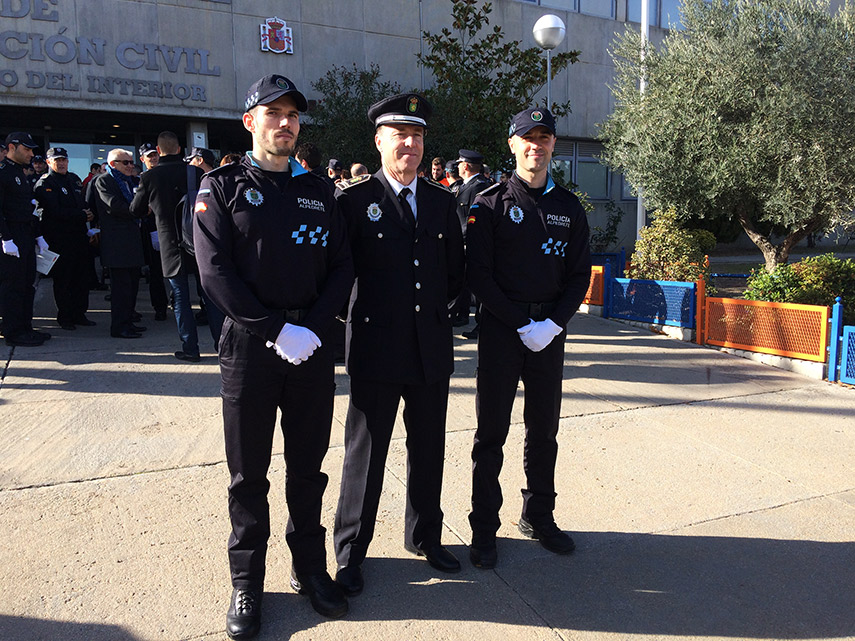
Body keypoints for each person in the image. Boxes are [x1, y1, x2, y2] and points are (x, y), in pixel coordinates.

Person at [193, 74, 354, 639]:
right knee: (248, 474)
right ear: (250, 122)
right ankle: (246, 582)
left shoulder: (318, 193)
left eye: (293, 115)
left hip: (309, 347)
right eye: (273, 113)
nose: (285, 123)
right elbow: (214, 273)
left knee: (307, 469)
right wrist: (273, 330)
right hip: (250, 347)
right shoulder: (222, 186)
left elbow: (342, 269)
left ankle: (309, 568)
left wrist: (310, 328)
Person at [333, 93, 465, 597]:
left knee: (428, 449)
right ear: (379, 141)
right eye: (399, 135)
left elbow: (454, 272)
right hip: (375, 348)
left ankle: (425, 537)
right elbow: (339, 273)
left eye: (417, 135)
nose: (409, 144)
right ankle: (350, 554)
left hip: (430, 346)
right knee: (364, 456)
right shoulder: (353, 202)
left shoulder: (439, 200)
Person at [465, 107, 592, 570]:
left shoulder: (569, 207)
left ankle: (539, 515)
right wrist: (521, 323)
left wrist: (553, 325)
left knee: (544, 431)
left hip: (549, 335)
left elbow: (579, 275)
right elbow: (479, 275)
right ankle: (484, 528)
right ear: (512, 144)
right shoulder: (490, 202)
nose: (536, 146)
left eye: (544, 138)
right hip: (503, 332)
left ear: (553, 145)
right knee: (491, 434)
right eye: (527, 138)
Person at [131, 131, 223, 361]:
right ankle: (222, 346)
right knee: (209, 295)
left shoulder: (149, 177)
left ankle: (190, 348)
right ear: (180, 149)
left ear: (159, 151)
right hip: (199, 238)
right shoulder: (195, 172)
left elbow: (135, 210)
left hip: (170, 242)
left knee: (180, 296)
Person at [33, 147, 95, 330]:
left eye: (63, 160)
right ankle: (65, 316)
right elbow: (55, 211)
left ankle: (79, 313)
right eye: (56, 160)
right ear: (49, 162)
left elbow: (82, 203)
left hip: (79, 237)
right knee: (63, 280)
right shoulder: (45, 183)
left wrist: (88, 214)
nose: (61, 163)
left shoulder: (74, 179)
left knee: (81, 278)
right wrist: (82, 215)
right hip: (59, 239)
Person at [0, 132, 52, 346]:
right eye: (27, 149)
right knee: (13, 286)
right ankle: (13, 331)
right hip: (12, 236)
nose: (31, 154)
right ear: (12, 147)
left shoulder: (20, 173)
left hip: (26, 234)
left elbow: (29, 208)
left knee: (27, 283)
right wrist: (5, 238)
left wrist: (39, 235)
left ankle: (25, 327)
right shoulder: (2, 173)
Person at [92, 148, 147, 339]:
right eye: (126, 163)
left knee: (132, 286)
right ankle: (119, 326)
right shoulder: (104, 180)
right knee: (121, 289)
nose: (131, 166)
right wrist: (138, 210)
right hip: (117, 243)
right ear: (113, 164)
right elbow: (114, 206)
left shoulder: (129, 181)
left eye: (131, 162)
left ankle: (128, 321)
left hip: (131, 240)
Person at [452, 149, 492, 329]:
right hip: (464, 241)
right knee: (464, 282)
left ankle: (482, 322)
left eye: (460, 164)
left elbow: (474, 217)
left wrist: (463, 237)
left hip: (472, 242)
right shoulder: (466, 185)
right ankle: (461, 315)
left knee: (478, 283)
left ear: (466, 166)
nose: (457, 167)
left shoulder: (477, 186)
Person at [137, 143, 169, 322]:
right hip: (151, 229)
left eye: (155, 155)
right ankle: (160, 307)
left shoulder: (165, 174)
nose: (153, 158)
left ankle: (175, 301)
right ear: (142, 159)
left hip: (169, 227)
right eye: (149, 157)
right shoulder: (141, 178)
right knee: (156, 272)